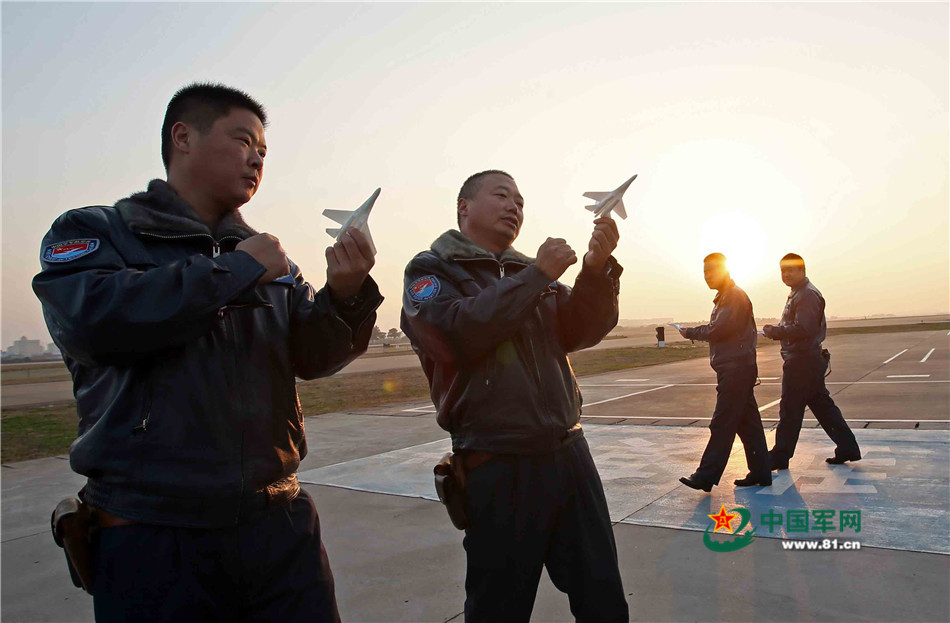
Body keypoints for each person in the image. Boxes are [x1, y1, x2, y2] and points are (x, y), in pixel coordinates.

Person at [33, 83, 382, 622]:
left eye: (264, 152)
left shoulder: (273, 260)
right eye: (244, 140)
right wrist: (238, 270)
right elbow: (92, 322)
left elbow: (313, 358)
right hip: (153, 534)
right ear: (183, 137)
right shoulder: (98, 232)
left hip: (278, 525)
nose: (256, 159)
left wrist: (346, 294)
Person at [400, 170, 629, 622]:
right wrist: (538, 276)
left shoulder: (531, 271)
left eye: (521, 201)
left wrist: (596, 272)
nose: (514, 207)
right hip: (496, 463)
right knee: (498, 607)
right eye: (501, 195)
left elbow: (581, 329)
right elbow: (455, 333)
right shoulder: (432, 270)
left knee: (602, 596)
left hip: (569, 456)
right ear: (463, 207)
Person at [678, 253, 771, 492]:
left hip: (736, 369)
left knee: (722, 423)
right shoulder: (726, 297)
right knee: (748, 424)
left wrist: (690, 332)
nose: (707, 276)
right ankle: (761, 472)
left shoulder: (733, 297)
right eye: (705, 272)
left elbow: (718, 330)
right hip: (736, 368)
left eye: (712, 271)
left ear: (724, 270)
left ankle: (706, 475)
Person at [762, 253, 861, 468]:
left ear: (802, 271)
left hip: (802, 361)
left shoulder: (806, 295)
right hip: (805, 359)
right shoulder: (798, 293)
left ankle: (780, 455)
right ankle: (848, 447)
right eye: (782, 271)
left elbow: (804, 328)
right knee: (822, 406)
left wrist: (775, 331)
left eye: (790, 270)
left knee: (790, 409)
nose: (786, 274)